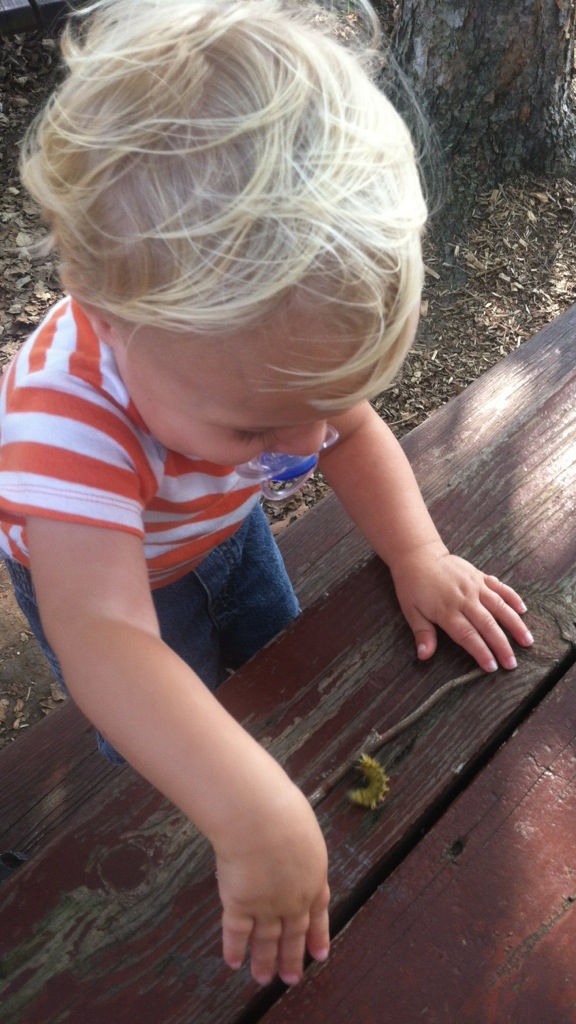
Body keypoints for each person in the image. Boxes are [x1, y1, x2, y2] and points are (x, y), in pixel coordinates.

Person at [0, 0, 533, 990]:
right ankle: (190, 818)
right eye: (257, 428)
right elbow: (105, 639)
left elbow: (351, 432)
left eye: (321, 408)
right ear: (105, 314)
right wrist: (251, 812)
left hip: (222, 530)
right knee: (168, 731)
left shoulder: (257, 372)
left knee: (273, 659)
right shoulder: (63, 428)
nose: (304, 447)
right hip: (112, 584)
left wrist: (417, 553)